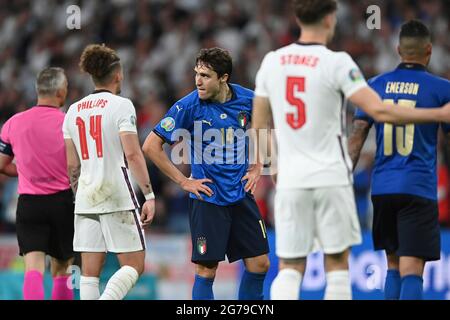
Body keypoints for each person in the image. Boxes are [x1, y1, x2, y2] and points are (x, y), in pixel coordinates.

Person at [251, 0, 450, 300]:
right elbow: (380, 112)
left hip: (295, 179)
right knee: (340, 268)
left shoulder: (271, 62)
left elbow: (259, 128)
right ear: (330, 19)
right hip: (337, 177)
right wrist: (437, 115)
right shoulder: (339, 63)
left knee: (290, 268)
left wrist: (275, 168)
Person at [143, 47, 270, 300]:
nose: (198, 81)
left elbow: (262, 124)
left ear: (223, 78)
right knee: (207, 269)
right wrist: (183, 181)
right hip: (208, 198)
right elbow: (150, 146)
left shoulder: (249, 100)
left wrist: (258, 165)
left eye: (206, 75)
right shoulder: (188, 106)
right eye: (196, 74)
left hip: (241, 193)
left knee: (260, 264)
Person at [348, 20, 450, 300]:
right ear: (429, 50)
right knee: (412, 269)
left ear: (398, 50)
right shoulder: (442, 90)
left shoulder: (374, 86)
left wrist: (343, 179)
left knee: (392, 266)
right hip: (418, 187)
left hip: (382, 189)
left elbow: (356, 137)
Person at [63, 44, 156, 300]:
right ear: (117, 75)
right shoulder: (121, 105)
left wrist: (80, 192)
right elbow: (134, 154)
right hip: (116, 194)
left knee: (90, 274)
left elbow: (72, 165)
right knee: (134, 265)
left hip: (85, 197)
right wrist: (148, 195)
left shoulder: (72, 111)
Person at [0, 67, 75, 300]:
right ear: (61, 92)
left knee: (33, 268)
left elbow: (1, 165)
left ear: (38, 91)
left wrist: (25, 173)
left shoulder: (14, 123)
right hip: (62, 202)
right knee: (62, 270)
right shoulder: (69, 123)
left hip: (29, 203)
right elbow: (77, 166)